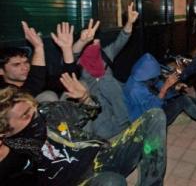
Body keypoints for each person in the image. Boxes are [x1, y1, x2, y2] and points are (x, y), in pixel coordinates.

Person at [0, 74, 166, 186]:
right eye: (25, 116)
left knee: (154, 116)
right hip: (80, 181)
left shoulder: (47, 112)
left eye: (33, 108)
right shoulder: (14, 154)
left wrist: (85, 98)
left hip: (101, 156)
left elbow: (90, 110)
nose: (35, 115)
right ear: (5, 131)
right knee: (112, 182)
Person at [123, 53, 196, 137]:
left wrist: (174, 88)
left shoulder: (145, 78)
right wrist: (165, 87)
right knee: (183, 101)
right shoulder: (135, 89)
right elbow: (153, 110)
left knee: (184, 98)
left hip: (155, 110)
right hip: (146, 122)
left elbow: (158, 88)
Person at [72, 3, 139, 139]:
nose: (95, 45)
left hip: (114, 98)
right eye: (91, 42)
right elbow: (71, 55)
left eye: (96, 41)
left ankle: (126, 123)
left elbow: (122, 39)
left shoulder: (106, 53)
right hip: (95, 102)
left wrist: (129, 22)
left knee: (107, 81)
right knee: (103, 132)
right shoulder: (80, 61)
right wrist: (81, 41)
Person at [0, 21, 76, 102]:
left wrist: (66, 49)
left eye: (26, 62)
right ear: (1, 71)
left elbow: (68, 80)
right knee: (48, 96)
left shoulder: (39, 79)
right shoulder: (3, 93)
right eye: (16, 65)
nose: (25, 67)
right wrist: (38, 47)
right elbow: (32, 88)